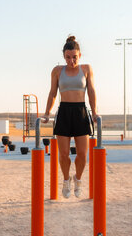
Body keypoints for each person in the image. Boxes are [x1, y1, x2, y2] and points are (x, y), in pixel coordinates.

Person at [42, 35, 98, 198]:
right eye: (68, 57)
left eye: (74, 57)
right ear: (63, 56)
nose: (71, 61)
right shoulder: (58, 71)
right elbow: (52, 93)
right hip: (64, 112)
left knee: (82, 154)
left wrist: (94, 112)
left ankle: (77, 179)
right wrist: (46, 113)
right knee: (64, 154)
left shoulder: (86, 69)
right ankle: (66, 180)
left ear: (79, 55)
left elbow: (92, 91)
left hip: (80, 112)